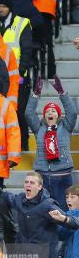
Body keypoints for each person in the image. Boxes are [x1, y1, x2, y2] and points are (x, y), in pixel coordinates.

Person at [4, 172, 79, 258]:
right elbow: (8, 197)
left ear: (40, 187)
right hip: (23, 256)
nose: (28, 185)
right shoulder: (20, 200)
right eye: (26, 182)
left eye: (32, 183)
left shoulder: (48, 205)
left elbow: (75, 223)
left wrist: (63, 218)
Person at [25, 77, 76, 209]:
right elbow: (28, 113)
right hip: (43, 176)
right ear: (44, 115)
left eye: (53, 111)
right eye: (47, 111)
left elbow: (72, 112)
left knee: (64, 209)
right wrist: (35, 94)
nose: (50, 112)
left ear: (58, 115)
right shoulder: (39, 127)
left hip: (62, 176)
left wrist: (62, 92)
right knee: (43, 211)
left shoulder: (65, 127)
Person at [61, 185, 79, 258]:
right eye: (67, 197)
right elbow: (62, 237)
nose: (68, 200)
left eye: (72, 197)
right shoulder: (66, 215)